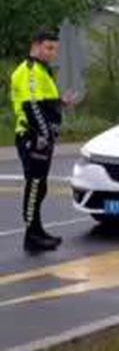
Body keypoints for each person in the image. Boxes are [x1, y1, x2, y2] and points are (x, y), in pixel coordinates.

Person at [10, 30, 64, 252]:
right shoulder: (30, 71)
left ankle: (37, 230)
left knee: (40, 186)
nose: (52, 54)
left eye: (55, 50)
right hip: (33, 137)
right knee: (34, 186)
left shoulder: (41, 71)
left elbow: (44, 102)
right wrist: (44, 136)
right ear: (36, 46)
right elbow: (31, 106)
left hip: (40, 137)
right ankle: (31, 237)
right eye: (49, 48)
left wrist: (61, 102)